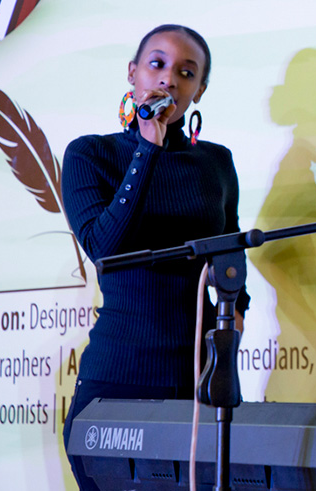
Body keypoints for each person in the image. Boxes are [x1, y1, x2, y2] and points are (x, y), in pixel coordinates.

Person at [60, 24, 249, 489]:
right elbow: (104, 248)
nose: (169, 79)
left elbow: (230, 253)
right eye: (157, 64)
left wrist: (237, 311)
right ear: (133, 73)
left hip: (199, 384)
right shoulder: (91, 153)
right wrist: (148, 148)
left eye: (186, 73)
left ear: (199, 90)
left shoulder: (216, 163)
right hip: (119, 379)